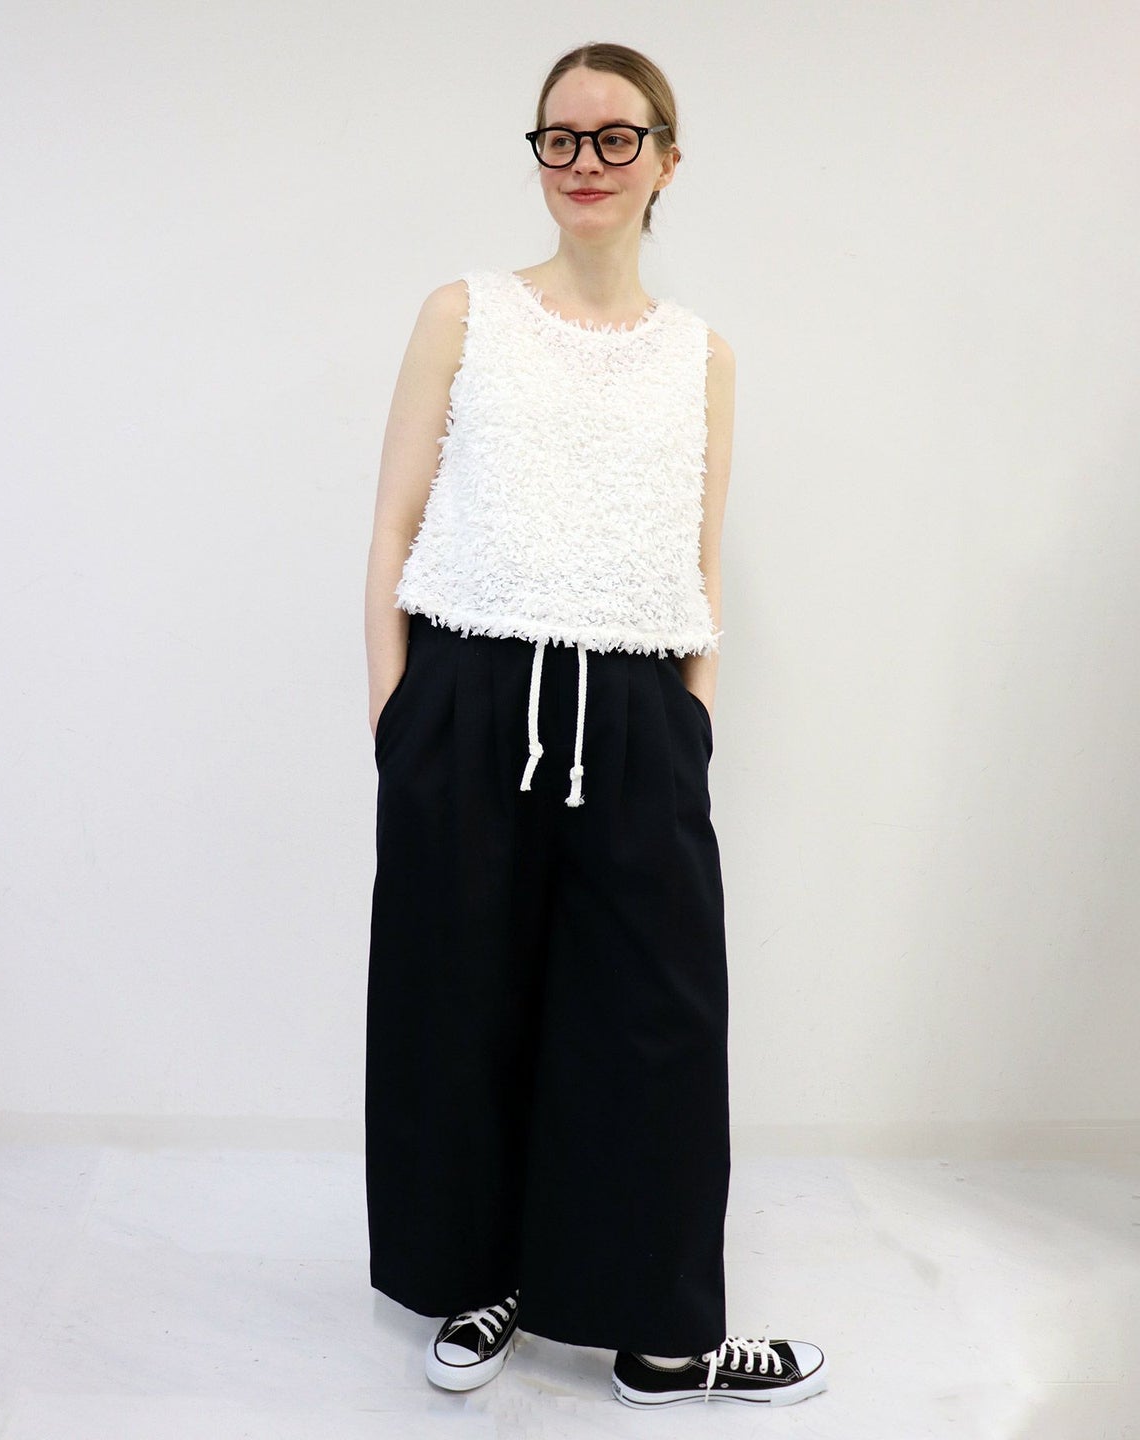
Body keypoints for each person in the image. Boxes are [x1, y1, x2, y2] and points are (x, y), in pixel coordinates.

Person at [362, 41, 828, 1410]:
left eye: (616, 137)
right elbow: (391, 528)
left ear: (667, 161)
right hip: (468, 694)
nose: (585, 161)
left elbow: (699, 551)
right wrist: (397, 717)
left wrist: (691, 720)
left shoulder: (701, 356)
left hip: (633, 708)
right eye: (560, 138)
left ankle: (661, 1330)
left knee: (652, 1017)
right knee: (462, 1002)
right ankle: (479, 1281)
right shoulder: (464, 313)